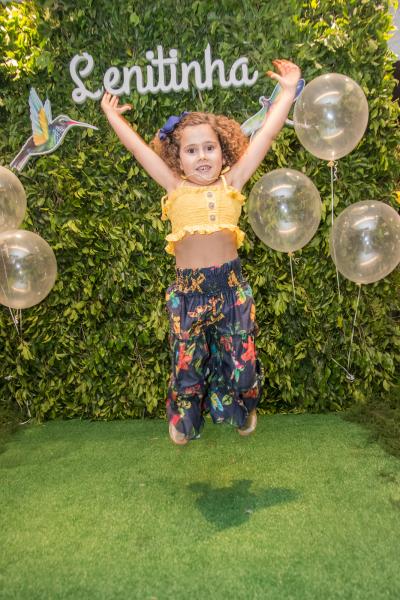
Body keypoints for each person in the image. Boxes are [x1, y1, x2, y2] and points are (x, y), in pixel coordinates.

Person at [101, 59, 301, 445]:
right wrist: (113, 117)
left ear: (224, 152)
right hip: (188, 292)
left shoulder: (233, 181)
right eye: (191, 150)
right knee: (187, 363)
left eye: (210, 148)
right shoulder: (174, 186)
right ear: (177, 158)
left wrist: (288, 91)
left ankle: (242, 407)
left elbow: (266, 135)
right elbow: (139, 150)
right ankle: (185, 419)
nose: (203, 156)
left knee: (241, 361)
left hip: (231, 288)